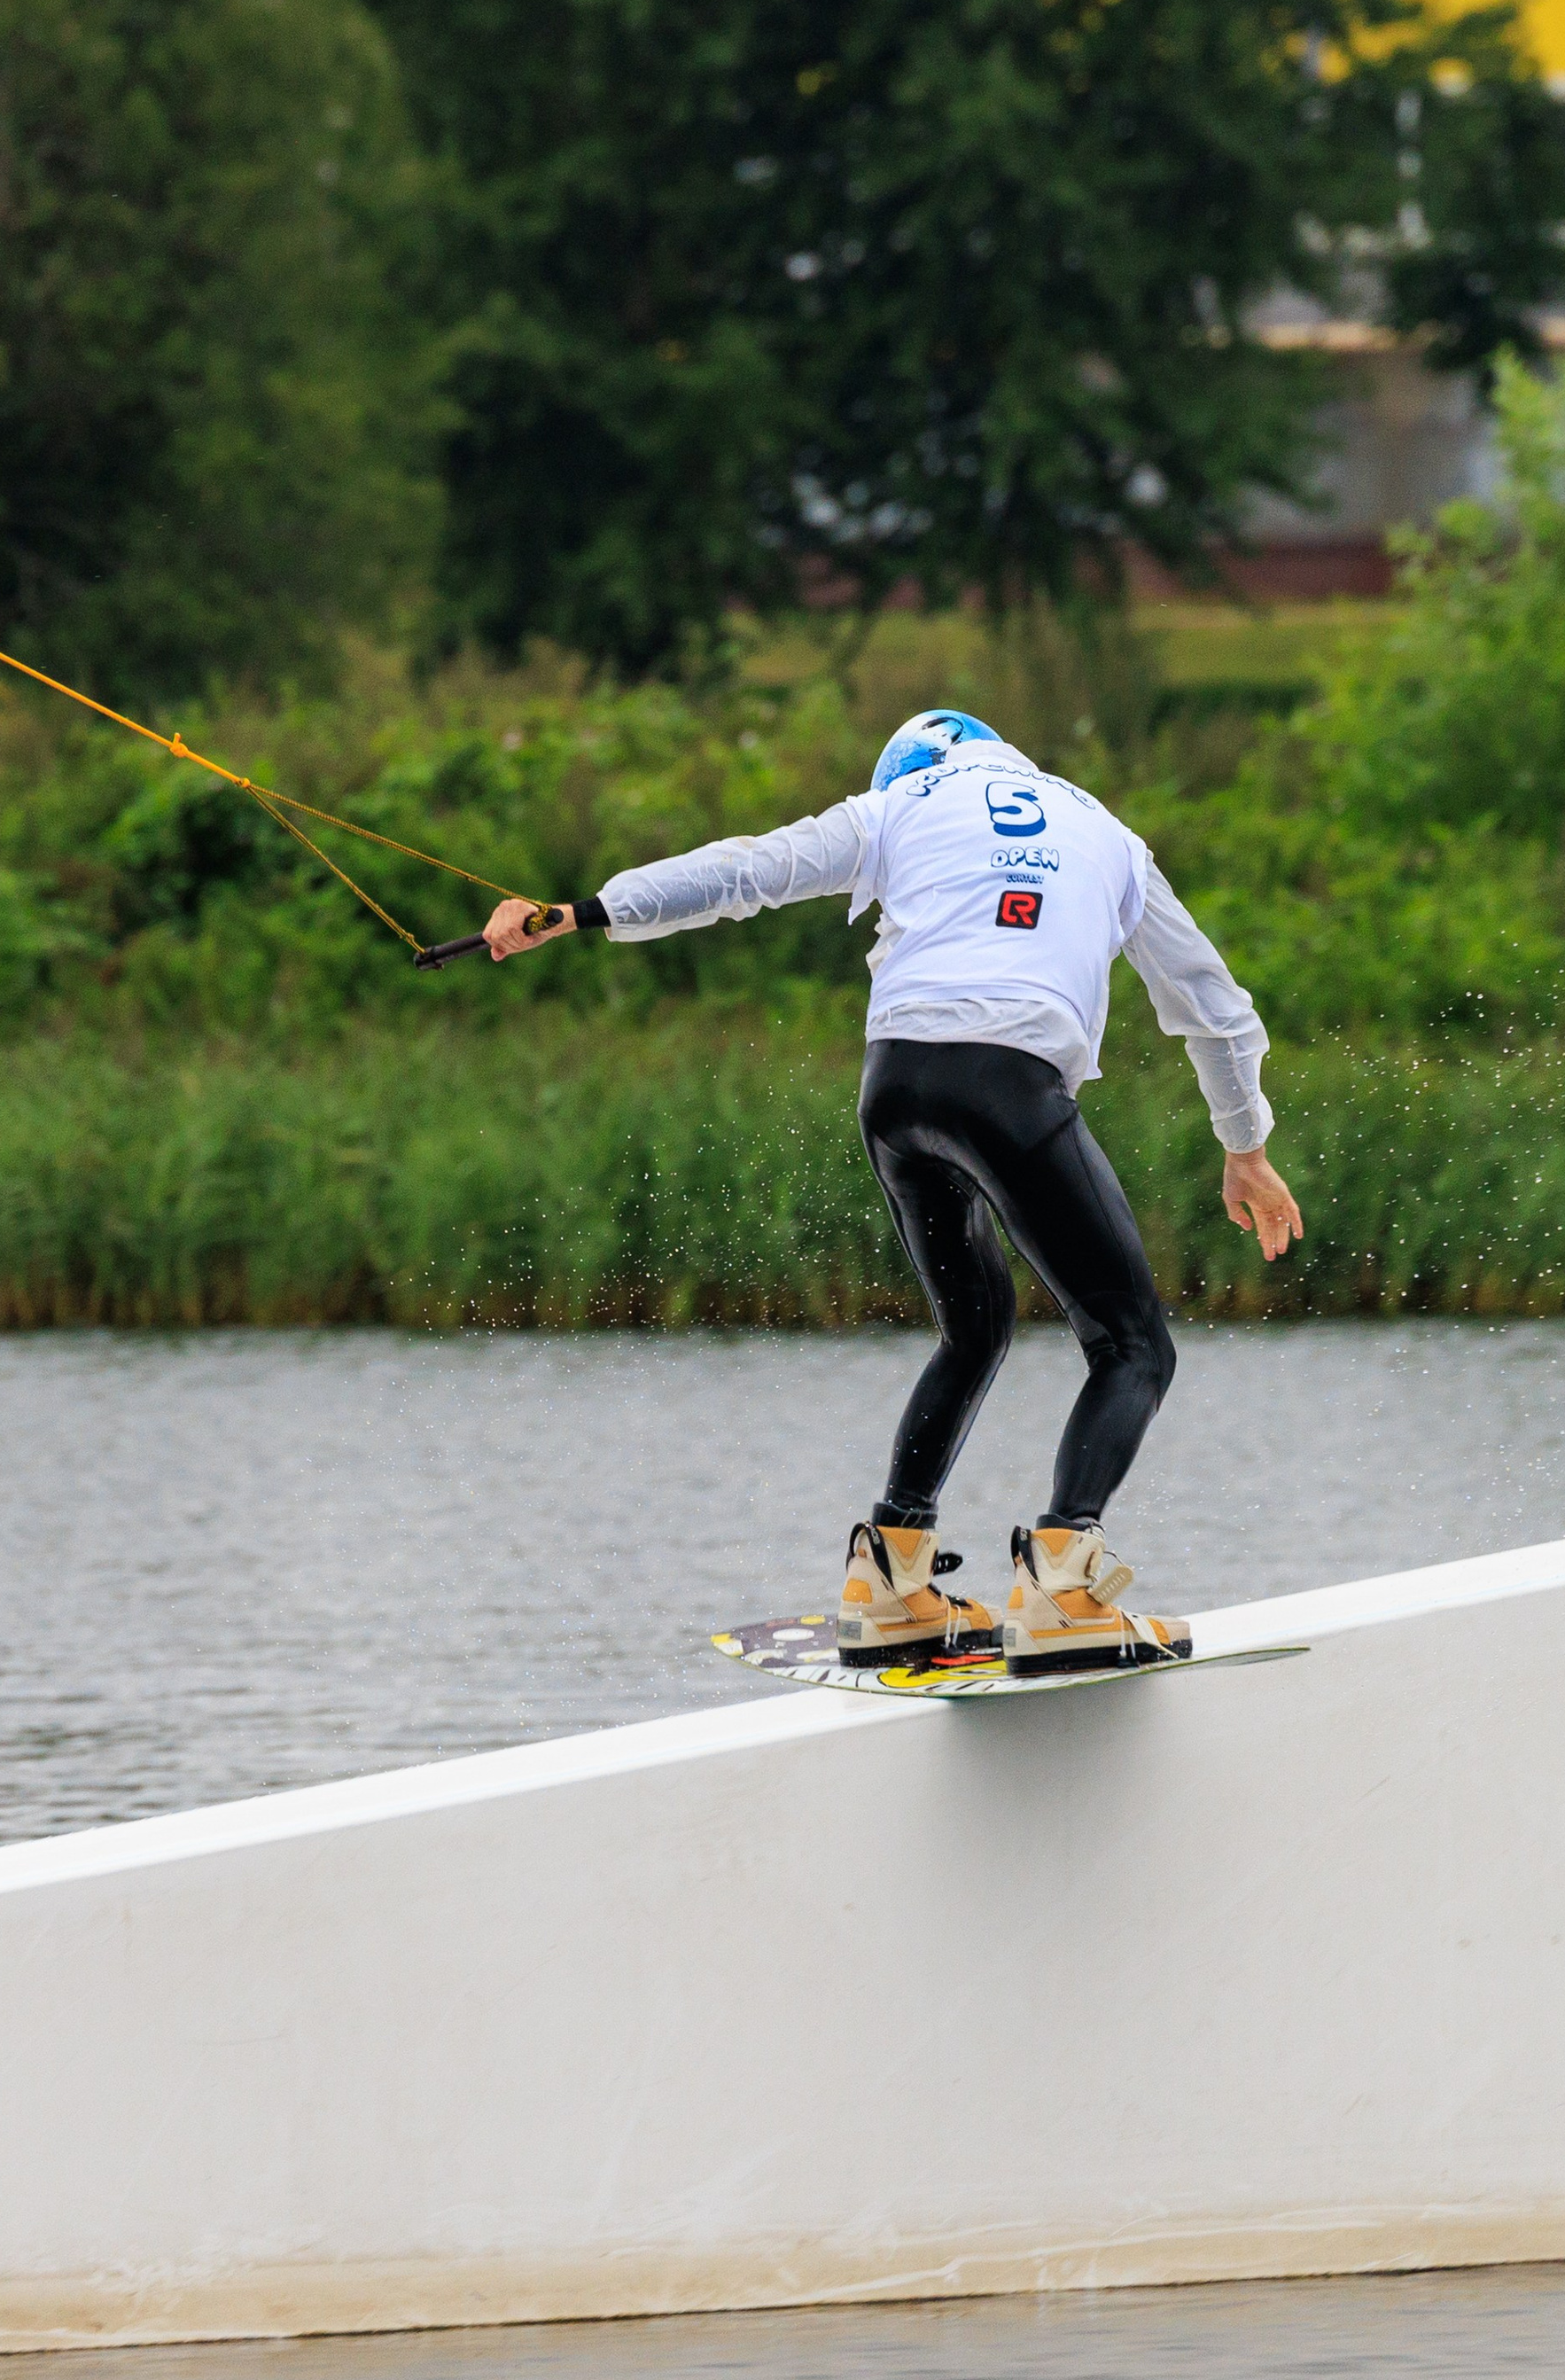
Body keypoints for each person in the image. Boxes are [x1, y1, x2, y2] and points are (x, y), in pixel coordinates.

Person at [482, 705, 1303, 1677]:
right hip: (1009, 1087)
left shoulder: (899, 805)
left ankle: (891, 1576)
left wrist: (583, 910)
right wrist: (1244, 1143)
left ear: (908, 766)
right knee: (1131, 1343)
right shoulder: (1109, 835)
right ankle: (1061, 1583)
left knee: (975, 1326)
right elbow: (1212, 1005)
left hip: (897, 1086)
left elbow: (747, 869)